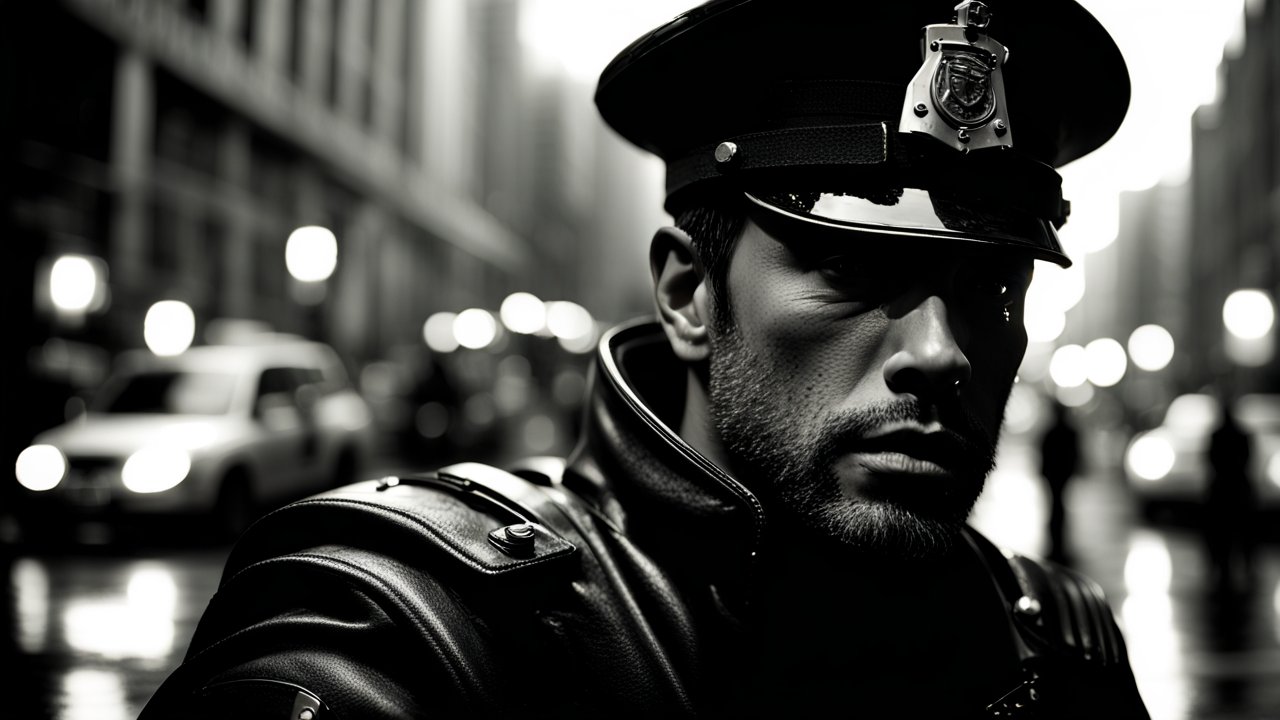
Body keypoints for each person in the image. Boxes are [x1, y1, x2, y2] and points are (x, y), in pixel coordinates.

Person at [142, 1, 1150, 717]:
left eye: (994, 289)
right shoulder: (415, 622)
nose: (942, 350)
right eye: (849, 271)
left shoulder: (1053, 651)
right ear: (686, 295)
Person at [1204, 393, 1256, 595]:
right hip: (1238, 488)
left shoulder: (1216, 435)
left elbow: (1210, 460)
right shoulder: (1243, 435)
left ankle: (1220, 570)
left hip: (1222, 489)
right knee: (1242, 532)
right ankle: (1245, 568)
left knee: (1221, 534)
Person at [1039, 400, 1082, 563]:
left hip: (1055, 476)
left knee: (1056, 508)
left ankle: (1056, 546)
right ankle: (1058, 546)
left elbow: (1044, 455)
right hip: (1061, 475)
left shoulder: (1051, 432)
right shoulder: (1068, 432)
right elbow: (1075, 455)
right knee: (1059, 508)